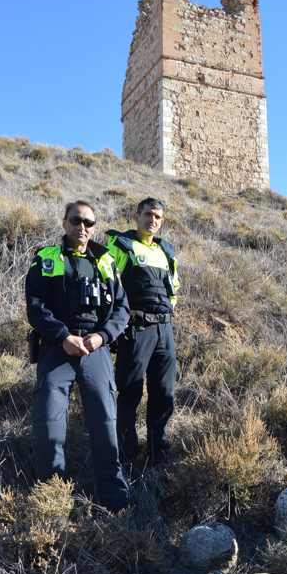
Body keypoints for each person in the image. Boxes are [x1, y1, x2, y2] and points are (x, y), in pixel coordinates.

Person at [25, 200, 130, 512]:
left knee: (105, 423)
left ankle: (114, 500)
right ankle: (52, 500)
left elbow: (122, 309)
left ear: (94, 226)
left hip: (95, 348)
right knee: (49, 425)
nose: (82, 227)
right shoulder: (47, 258)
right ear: (64, 223)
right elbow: (35, 306)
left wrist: (101, 336)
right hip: (57, 347)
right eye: (76, 221)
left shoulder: (106, 261)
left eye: (88, 222)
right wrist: (63, 336)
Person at [105, 197, 180, 470]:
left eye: (158, 217)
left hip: (164, 330)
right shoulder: (121, 246)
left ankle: (158, 455)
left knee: (163, 393)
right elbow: (108, 285)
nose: (153, 220)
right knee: (129, 393)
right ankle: (126, 455)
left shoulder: (166, 252)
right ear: (137, 215)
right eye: (148, 214)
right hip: (136, 330)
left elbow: (173, 290)